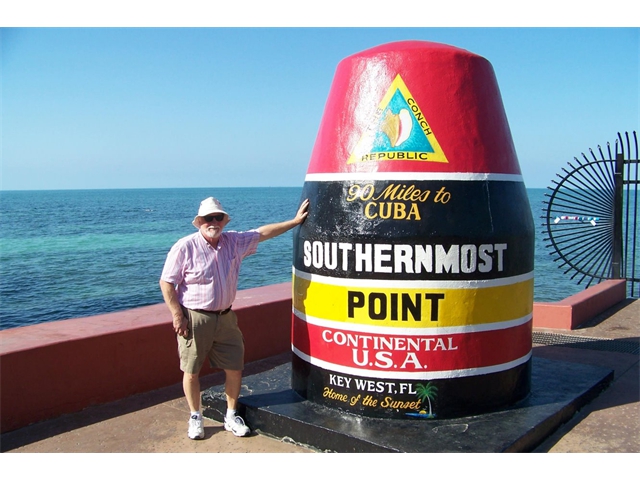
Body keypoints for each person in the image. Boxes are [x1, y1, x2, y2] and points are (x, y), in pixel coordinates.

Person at [159, 195, 309, 440]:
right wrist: (178, 316)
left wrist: (294, 222)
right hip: (196, 318)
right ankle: (195, 416)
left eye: (218, 217)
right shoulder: (184, 247)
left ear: (224, 221)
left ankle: (230, 415)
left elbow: (262, 233)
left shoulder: (234, 242)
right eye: (208, 218)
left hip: (226, 318)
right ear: (199, 222)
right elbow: (166, 283)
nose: (213, 222)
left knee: (235, 368)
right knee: (191, 370)